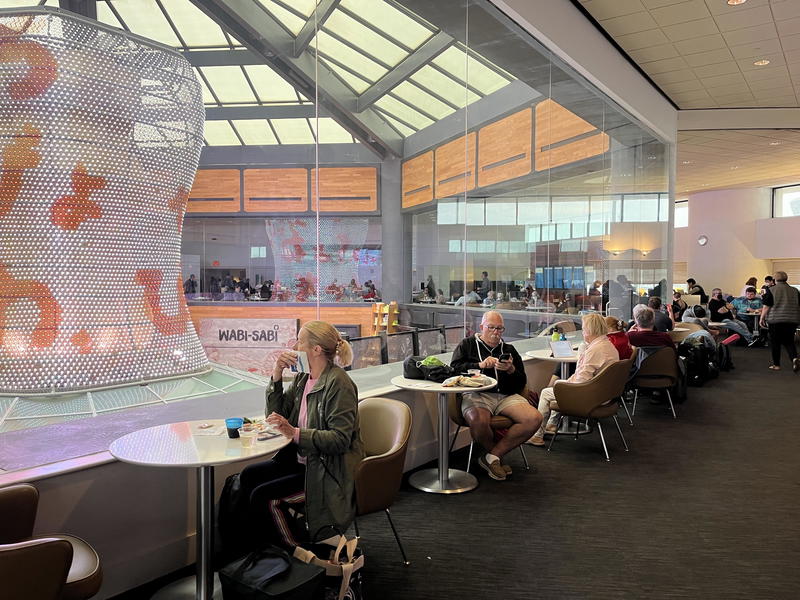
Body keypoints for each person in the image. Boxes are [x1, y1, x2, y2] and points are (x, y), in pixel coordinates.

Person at [237, 321, 364, 548]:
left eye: (300, 340)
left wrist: (294, 432)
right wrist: (277, 374)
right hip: (303, 462)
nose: (294, 345)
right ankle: (255, 549)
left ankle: (295, 558)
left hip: (326, 471)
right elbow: (276, 415)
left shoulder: (339, 384)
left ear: (315, 349)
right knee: (248, 475)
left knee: (264, 497)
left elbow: (339, 440)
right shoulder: (303, 378)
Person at [451, 311, 543, 481]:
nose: (495, 332)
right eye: (491, 327)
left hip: (506, 395)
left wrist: (511, 370)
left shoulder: (509, 349)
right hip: (477, 394)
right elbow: (454, 368)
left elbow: (522, 381)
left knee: (534, 418)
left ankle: (492, 456)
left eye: (499, 328)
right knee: (479, 421)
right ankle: (494, 457)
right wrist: (479, 365)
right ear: (481, 327)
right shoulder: (467, 344)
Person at [528, 313, 619, 447]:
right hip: (605, 395)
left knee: (547, 392)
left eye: (583, 329)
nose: (582, 332)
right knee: (558, 386)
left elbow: (580, 381)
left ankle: (537, 435)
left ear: (589, 330)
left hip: (591, 397)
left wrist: (563, 384)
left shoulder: (595, 350)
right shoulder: (608, 346)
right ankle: (552, 424)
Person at [760, 271, 800, 372]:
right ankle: (794, 358)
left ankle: (776, 365)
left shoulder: (772, 290)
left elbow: (766, 306)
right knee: (789, 341)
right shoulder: (795, 290)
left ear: (775, 279)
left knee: (775, 342)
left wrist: (762, 318)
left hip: (776, 320)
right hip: (792, 320)